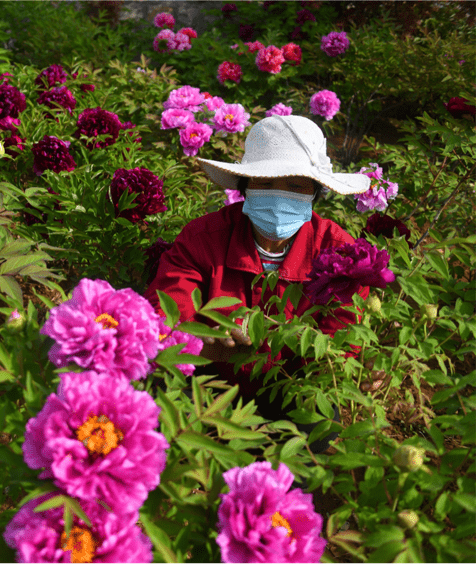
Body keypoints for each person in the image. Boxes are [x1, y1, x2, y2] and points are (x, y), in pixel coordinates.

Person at [145, 115, 384, 452]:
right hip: (206, 382)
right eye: (266, 183)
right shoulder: (203, 238)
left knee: (320, 421)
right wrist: (210, 342)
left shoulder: (338, 251)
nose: (279, 195)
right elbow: (165, 315)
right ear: (245, 187)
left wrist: (277, 343)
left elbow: (342, 343)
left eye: (295, 185)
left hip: (289, 389)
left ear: (315, 193)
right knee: (154, 391)